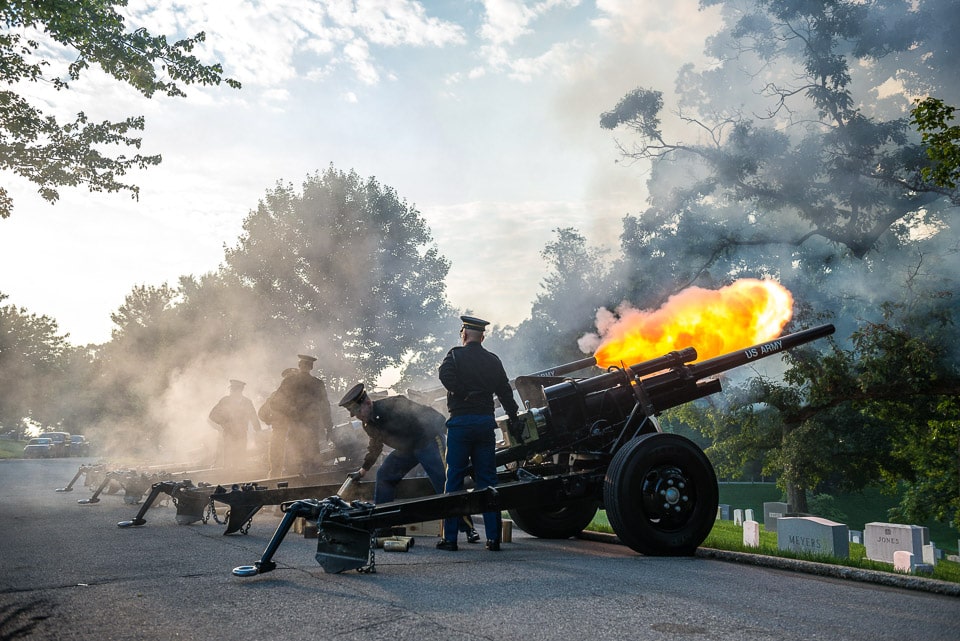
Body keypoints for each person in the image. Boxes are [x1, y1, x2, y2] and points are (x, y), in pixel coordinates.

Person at [338, 383, 480, 542]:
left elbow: (424, 413)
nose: (357, 416)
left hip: (427, 441)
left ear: (368, 403)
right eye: (353, 413)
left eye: (357, 411)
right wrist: (363, 471)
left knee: (446, 483)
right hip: (407, 449)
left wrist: (447, 432)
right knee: (384, 475)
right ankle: (381, 525)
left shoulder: (394, 404)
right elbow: (375, 446)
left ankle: (468, 528)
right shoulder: (368, 424)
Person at [436, 315, 520, 552]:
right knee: (488, 481)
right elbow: (505, 391)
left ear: (464, 333)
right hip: (485, 424)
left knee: (453, 481)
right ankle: (493, 540)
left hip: (460, 423)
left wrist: (463, 393)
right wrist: (513, 417)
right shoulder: (493, 360)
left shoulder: (454, 355)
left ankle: (450, 539)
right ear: (482, 336)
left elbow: (445, 376)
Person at [267, 354, 334, 474]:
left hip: (294, 426)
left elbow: (274, 403)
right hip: (312, 428)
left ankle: (294, 484)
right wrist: (329, 426)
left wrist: (290, 411)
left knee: (295, 461)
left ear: (299, 365)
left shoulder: (289, 381)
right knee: (312, 461)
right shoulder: (318, 383)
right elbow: (325, 406)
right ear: (311, 367)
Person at [208, 379, 262, 470]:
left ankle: (240, 475)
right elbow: (212, 415)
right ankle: (227, 474)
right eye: (231, 389)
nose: (231, 391)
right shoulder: (225, 400)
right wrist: (224, 423)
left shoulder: (247, 402)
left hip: (242, 433)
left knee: (240, 457)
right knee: (228, 457)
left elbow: (254, 417)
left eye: (234, 389)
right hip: (228, 433)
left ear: (240, 390)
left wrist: (258, 431)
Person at [258, 367, 299, 477]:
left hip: (294, 433)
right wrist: (271, 420)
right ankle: (274, 484)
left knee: (294, 462)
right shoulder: (275, 396)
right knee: (277, 463)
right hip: (280, 431)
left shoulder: (300, 396)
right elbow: (262, 413)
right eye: (289, 379)